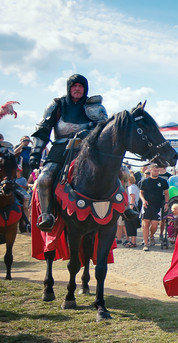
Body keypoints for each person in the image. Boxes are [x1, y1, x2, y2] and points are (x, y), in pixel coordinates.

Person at [29, 74, 110, 231]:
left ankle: (122, 208)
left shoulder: (95, 107)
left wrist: (87, 133)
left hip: (87, 149)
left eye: (80, 86)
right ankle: (46, 216)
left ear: (85, 88)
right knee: (45, 178)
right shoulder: (57, 105)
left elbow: (104, 130)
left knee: (119, 172)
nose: (77, 89)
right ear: (69, 88)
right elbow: (42, 131)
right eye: (74, 86)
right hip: (60, 149)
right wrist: (35, 153)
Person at [139, 165, 169, 251]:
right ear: (151, 170)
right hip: (147, 205)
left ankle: (151, 235)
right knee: (145, 224)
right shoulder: (145, 181)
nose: (156, 172)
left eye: (157, 170)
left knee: (155, 224)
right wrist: (143, 200)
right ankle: (146, 243)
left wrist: (166, 203)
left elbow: (166, 193)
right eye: (154, 170)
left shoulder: (163, 181)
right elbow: (141, 192)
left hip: (158, 205)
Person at [124, 175, 140, 247]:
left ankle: (133, 242)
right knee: (131, 225)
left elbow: (132, 198)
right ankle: (132, 241)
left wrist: (130, 208)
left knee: (131, 225)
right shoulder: (135, 187)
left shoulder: (131, 187)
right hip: (134, 207)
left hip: (131, 207)